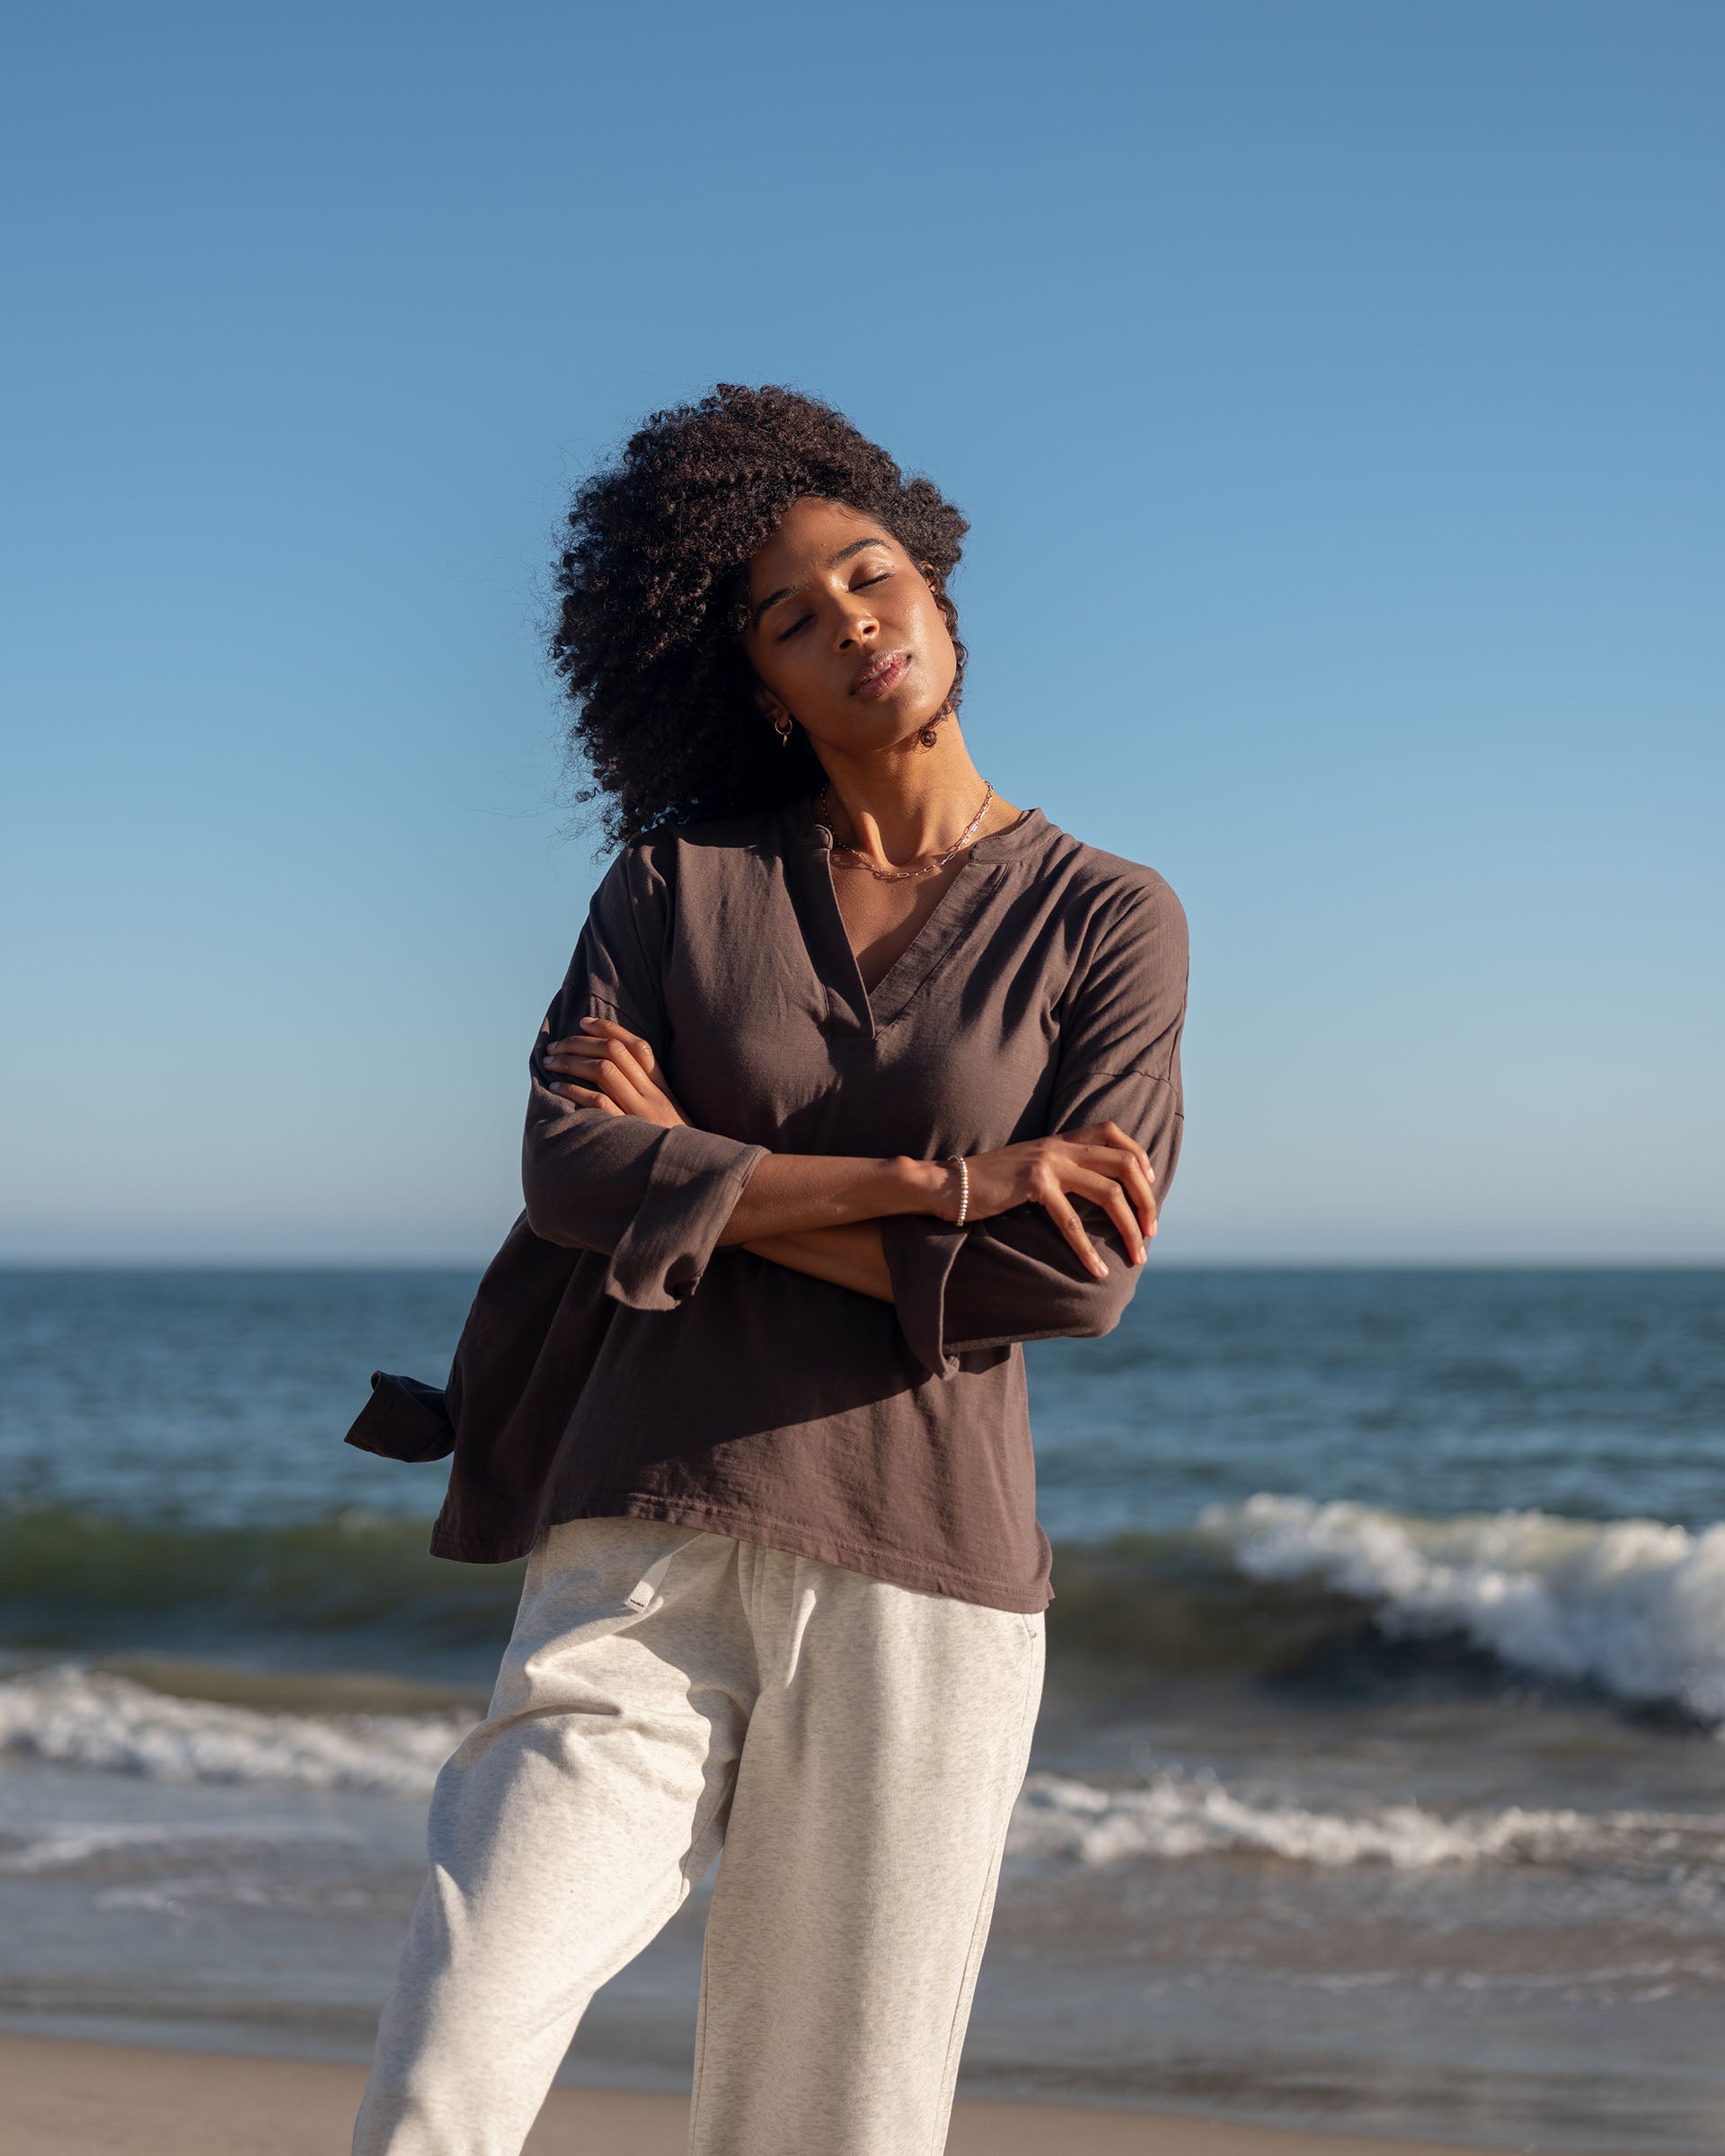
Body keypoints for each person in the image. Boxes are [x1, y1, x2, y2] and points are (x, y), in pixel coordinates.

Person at [345, 384, 1188, 2156]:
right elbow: (570, 1168)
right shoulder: (676, 886)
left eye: (870, 578)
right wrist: (947, 1184)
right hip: (638, 1542)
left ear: (941, 590)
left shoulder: (1107, 917)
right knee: (452, 2047)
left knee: (835, 2130)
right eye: (793, 620)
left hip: (924, 1579)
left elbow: (1074, 1275)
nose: (851, 626)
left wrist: (705, 1181)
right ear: (758, 685)